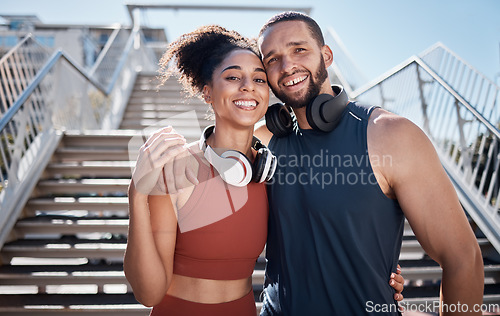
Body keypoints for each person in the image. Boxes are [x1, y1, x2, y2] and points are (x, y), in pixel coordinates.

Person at [124, 23, 405, 316]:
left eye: (259, 79)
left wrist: (380, 272)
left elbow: (321, 230)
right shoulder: (178, 169)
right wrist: (137, 193)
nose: (247, 86)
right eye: (233, 76)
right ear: (207, 93)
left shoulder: (268, 171)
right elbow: (148, 292)